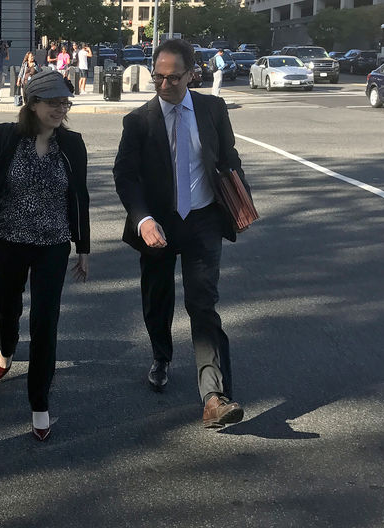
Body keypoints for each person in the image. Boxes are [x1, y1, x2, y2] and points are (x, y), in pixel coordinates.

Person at [112, 39, 251, 429]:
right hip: (157, 223)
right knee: (158, 300)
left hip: (203, 220)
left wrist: (240, 195)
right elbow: (124, 175)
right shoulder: (138, 121)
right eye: (158, 76)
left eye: (173, 77)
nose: (164, 84)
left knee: (203, 304)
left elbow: (228, 158)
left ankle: (213, 396)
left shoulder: (213, 109)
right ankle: (161, 355)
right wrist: (142, 219)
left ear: (193, 74)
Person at [0, 71, 90, 442]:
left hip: (53, 242)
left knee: (46, 322)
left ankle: (39, 402)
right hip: (8, 239)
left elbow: (79, 196)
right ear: (32, 103)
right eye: (53, 103)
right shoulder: (6, 136)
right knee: (8, 307)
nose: (60, 110)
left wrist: (83, 247)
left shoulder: (72, 144)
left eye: (65, 103)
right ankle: (5, 347)